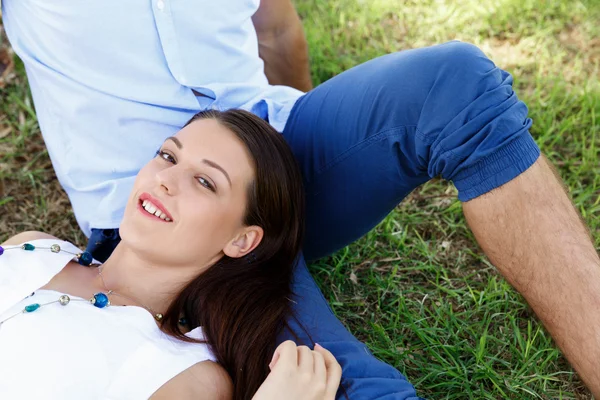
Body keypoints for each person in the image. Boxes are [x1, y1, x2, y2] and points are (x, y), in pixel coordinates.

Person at [2, 0, 599, 398]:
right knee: (342, 387)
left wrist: (292, 189)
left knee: (458, 84)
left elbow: (276, 30)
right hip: (158, 232)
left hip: (277, 145)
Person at [0, 109, 342, 399]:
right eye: (168, 156)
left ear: (241, 240)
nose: (166, 178)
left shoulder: (182, 373)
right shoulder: (35, 246)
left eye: (205, 181)